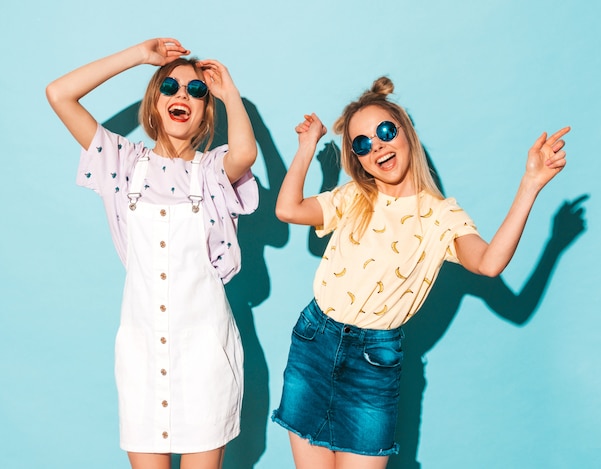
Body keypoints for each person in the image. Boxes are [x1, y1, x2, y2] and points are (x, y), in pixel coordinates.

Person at [272, 76, 569, 469]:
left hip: (372, 364)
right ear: (358, 159)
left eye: (384, 131)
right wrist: (307, 148)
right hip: (315, 342)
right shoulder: (354, 197)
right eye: (362, 143)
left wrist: (530, 186)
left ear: (406, 133)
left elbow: (489, 263)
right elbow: (288, 209)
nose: (376, 145)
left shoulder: (443, 216)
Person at [46, 38, 258, 469]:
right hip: (142, 358)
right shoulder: (122, 162)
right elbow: (58, 94)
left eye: (196, 91)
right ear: (154, 104)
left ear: (205, 113)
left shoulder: (213, 172)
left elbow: (245, 153)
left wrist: (229, 91)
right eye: (171, 88)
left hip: (203, 357)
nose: (183, 95)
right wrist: (139, 58)